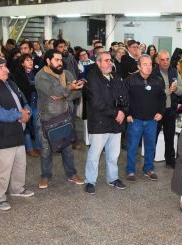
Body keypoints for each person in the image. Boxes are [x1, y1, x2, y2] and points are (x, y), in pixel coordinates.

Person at [0, 56, 34, 211]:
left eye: (5, 66)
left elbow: (24, 100)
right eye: (1, 67)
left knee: (19, 165)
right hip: (1, 137)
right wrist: (19, 115)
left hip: (16, 133)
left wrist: (27, 111)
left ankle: (17, 189)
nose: (7, 70)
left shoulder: (10, 84)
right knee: (2, 170)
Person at [34, 49, 85, 189]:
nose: (59, 63)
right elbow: (53, 92)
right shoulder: (40, 76)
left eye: (61, 60)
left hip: (65, 117)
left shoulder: (67, 74)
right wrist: (68, 89)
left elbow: (77, 92)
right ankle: (45, 176)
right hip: (46, 119)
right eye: (56, 60)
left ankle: (72, 174)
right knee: (46, 151)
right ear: (48, 61)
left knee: (67, 148)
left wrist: (65, 93)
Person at [83, 51, 128, 194]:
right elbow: (96, 102)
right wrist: (116, 113)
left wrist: (123, 112)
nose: (110, 63)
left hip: (116, 123)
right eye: (106, 60)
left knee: (114, 154)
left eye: (111, 60)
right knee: (94, 155)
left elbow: (125, 97)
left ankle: (113, 178)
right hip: (100, 123)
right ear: (98, 63)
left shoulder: (116, 77)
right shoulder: (92, 78)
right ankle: (90, 181)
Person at [125, 55, 166, 182]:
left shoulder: (158, 80)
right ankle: (130, 171)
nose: (148, 67)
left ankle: (148, 169)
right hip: (135, 119)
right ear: (138, 66)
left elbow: (162, 98)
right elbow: (124, 98)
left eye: (150, 64)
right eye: (145, 64)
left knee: (150, 146)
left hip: (152, 120)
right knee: (132, 146)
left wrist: (161, 112)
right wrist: (127, 114)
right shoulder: (130, 80)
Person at [154, 50, 182, 168]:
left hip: (171, 110)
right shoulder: (153, 73)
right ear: (157, 60)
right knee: (153, 137)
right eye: (162, 59)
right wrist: (167, 91)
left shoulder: (174, 72)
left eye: (167, 59)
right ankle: (149, 161)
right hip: (157, 111)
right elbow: (153, 93)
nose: (165, 62)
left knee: (170, 136)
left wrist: (176, 89)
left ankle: (170, 160)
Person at [11, 53, 41, 157]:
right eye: (27, 60)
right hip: (25, 103)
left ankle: (38, 146)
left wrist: (34, 86)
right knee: (26, 125)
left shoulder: (35, 72)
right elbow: (24, 88)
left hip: (35, 102)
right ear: (22, 63)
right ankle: (29, 148)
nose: (31, 61)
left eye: (31, 59)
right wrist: (36, 85)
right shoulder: (17, 74)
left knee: (37, 125)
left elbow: (34, 86)